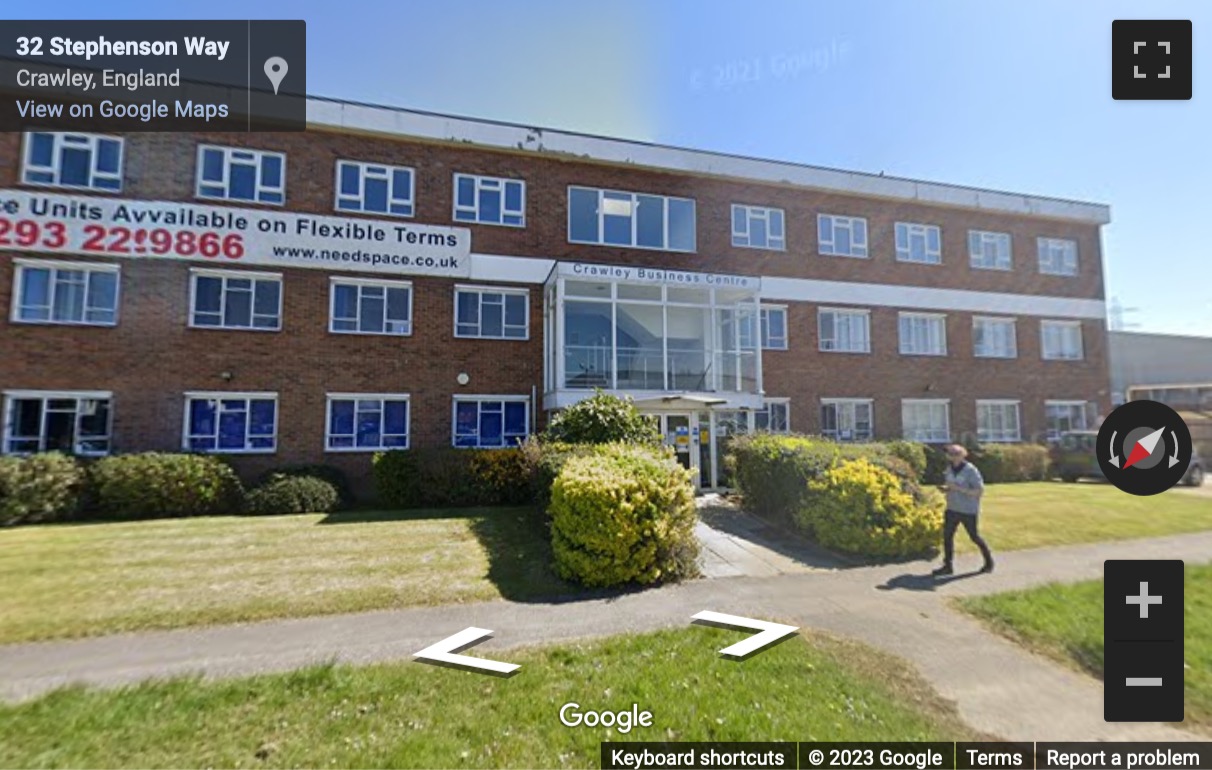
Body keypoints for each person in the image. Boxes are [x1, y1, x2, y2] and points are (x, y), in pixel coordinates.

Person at [932, 444, 995, 576]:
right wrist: (946, 489)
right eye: (950, 454)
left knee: (974, 537)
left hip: (968, 510)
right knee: (947, 536)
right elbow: (951, 486)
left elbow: (979, 491)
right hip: (952, 508)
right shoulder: (949, 469)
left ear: (963, 455)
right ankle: (947, 566)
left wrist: (957, 488)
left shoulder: (970, 470)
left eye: (956, 454)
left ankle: (989, 562)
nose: (952, 456)